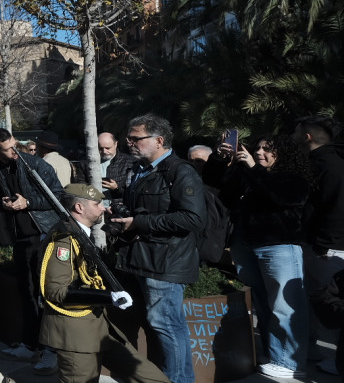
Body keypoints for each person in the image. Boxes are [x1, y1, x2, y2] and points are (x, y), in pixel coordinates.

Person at [204, 135, 312, 379]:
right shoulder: (248, 172)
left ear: (283, 154)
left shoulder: (292, 177)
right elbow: (215, 183)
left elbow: (283, 197)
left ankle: (291, 363)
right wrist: (220, 158)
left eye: (268, 149)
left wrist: (255, 169)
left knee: (284, 305)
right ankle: (275, 354)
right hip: (246, 245)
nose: (260, 152)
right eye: (258, 148)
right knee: (262, 303)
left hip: (279, 246)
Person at [110, 113, 205, 383]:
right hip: (143, 258)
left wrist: (138, 222)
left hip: (165, 262)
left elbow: (193, 218)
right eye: (129, 138)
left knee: (168, 326)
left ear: (159, 140)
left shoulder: (180, 171)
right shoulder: (140, 169)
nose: (129, 142)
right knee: (158, 325)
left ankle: (179, 380)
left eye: (136, 138)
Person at [39, 183, 167, 383]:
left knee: (152, 378)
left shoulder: (82, 234)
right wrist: (108, 297)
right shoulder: (64, 240)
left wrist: (121, 234)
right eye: (96, 204)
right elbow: (56, 291)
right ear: (79, 208)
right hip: (76, 334)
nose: (103, 208)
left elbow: (98, 270)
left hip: (101, 327)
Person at [0, 127, 65, 372]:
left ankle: (51, 351)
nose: (15, 151)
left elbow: (58, 196)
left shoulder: (35, 164)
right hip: (17, 238)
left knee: (45, 294)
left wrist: (28, 202)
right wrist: (2, 204)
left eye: (15, 144)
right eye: (8, 149)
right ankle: (30, 345)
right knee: (26, 292)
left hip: (43, 235)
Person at [291, 115, 344, 374]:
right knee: (318, 303)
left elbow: (336, 206)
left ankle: (339, 360)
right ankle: (316, 351)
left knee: (333, 305)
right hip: (321, 245)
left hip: (328, 248)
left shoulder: (330, 164)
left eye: (295, 132)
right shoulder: (320, 161)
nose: (292, 137)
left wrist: (323, 244)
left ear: (307, 136)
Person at [97, 132, 136, 197]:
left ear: (116, 144)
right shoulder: (86, 163)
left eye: (108, 148)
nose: (104, 151)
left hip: (118, 201)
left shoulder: (130, 163)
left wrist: (116, 188)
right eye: (101, 148)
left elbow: (133, 191)